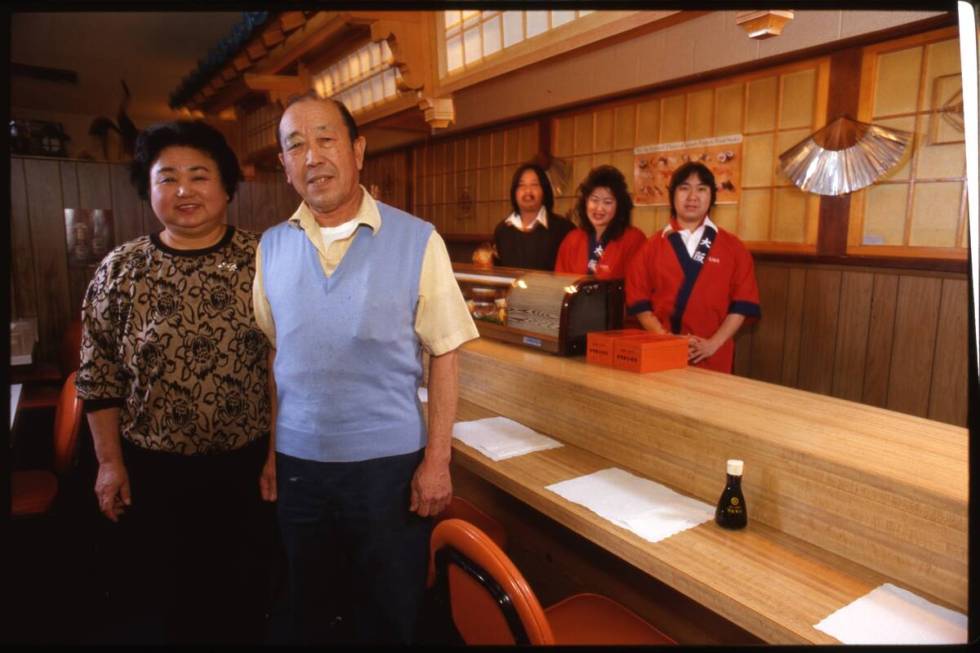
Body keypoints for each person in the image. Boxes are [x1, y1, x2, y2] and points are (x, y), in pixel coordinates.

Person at [252, 92, 479, 645]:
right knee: (310, 608)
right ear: (283, 165)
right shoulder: (271, 247)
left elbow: (445, 351)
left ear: (358, 149)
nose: (312, 156)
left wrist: (438, 461)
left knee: (389, 614)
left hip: (389, 471)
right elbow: (278, 356)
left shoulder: (418, 239)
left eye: (326, 139)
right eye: (295, 145)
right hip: (300, 466)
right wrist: (272, 453)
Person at [75, 121, 274, 644]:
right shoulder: (122, 269)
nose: (184, 190)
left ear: (227, 186)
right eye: (168, 178)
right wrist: (109, 463)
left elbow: (289, 366)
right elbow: (98, 376)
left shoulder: (268, 261)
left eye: (199, 175)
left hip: (246, 467)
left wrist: (279, 453)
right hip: (153, 473)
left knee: (245, 601)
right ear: (149, 189)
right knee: (163, 606)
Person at [625, 161, 760, 373]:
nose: (692, 197)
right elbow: (639, 304)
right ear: (673, 195)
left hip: (714, 354)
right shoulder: (650, 247)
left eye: (701, 189)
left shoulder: (733, 248)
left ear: (711, 196)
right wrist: (667, 339)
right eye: (684, 188)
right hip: (661, 351)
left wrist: (713, 344)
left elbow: (742, 305)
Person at [554, 164, 646, 279]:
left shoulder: (634, 239)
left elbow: (638, 284)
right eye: (594, 200)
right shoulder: (572, 240)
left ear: (619, 205)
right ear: (586, 201)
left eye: (607, 202)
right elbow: (560, 282)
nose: (599, 208)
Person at [492, 163, 574, 270]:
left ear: (544, 190)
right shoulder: (502, 230)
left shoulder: (563, 229)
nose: (528, 191)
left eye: (534, 185)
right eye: (521, 185)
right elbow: (497, 273)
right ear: (514, 192)